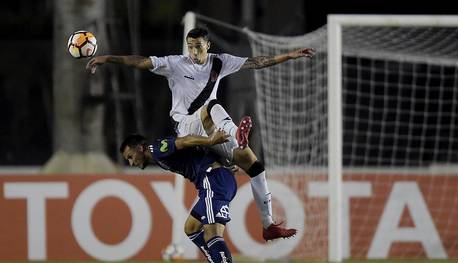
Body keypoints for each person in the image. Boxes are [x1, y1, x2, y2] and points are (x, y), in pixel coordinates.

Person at [87, 27, 314, 240]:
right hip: (185, 126)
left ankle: (268, 226)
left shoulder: (220, 61)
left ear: (208, 44)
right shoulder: (175, 64)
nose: (193, 51)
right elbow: (141, 62)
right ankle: (238, 137)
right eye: (190, 46)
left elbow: (258, 62)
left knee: (255, 166)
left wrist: (290, 55)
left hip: (208, 128)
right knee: (211, 106)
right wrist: (107, 58)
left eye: (198, 46)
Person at [120, 120, 249, 263]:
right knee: (191, 228)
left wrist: (210, 140)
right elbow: (194, 150)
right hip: (216, 181)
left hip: (212, 180)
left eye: (130, 157)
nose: (131, 163)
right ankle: (214, 258)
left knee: (212, 235)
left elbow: (185, 141)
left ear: (139, 148)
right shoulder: (156, 154)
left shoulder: (155, 149)